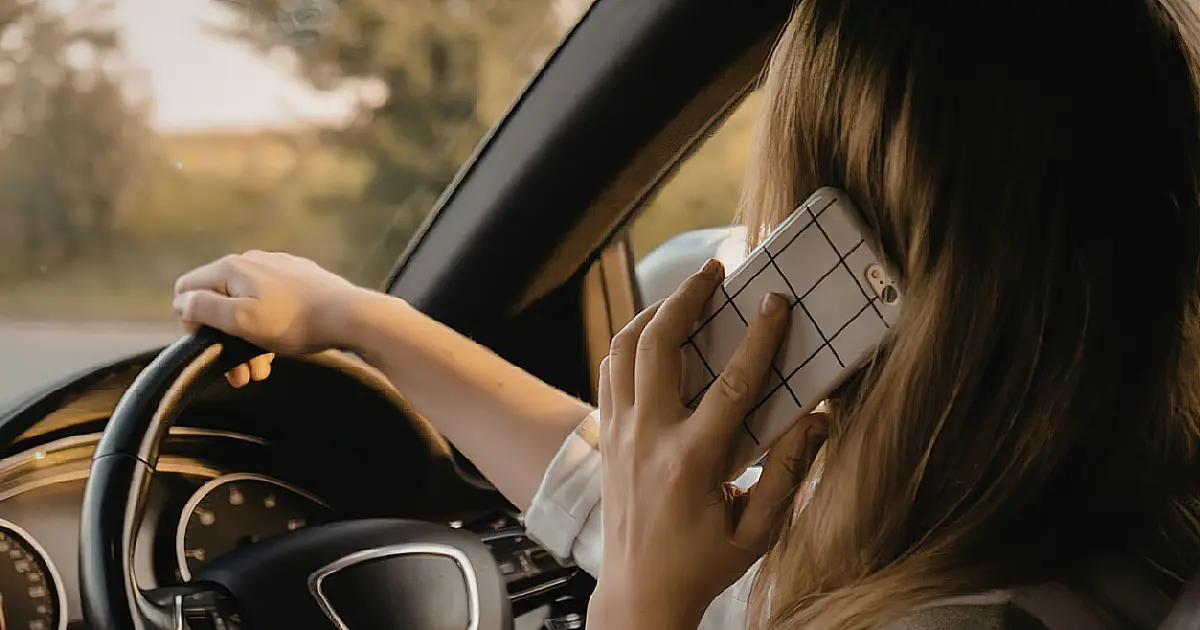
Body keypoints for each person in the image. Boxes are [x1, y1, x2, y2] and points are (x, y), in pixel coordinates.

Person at [172, 0, 1200, 627]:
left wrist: (642, 607)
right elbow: (599, 494)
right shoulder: (1061, 529)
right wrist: (360, 319)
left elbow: (652, 561)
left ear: (872, 247)